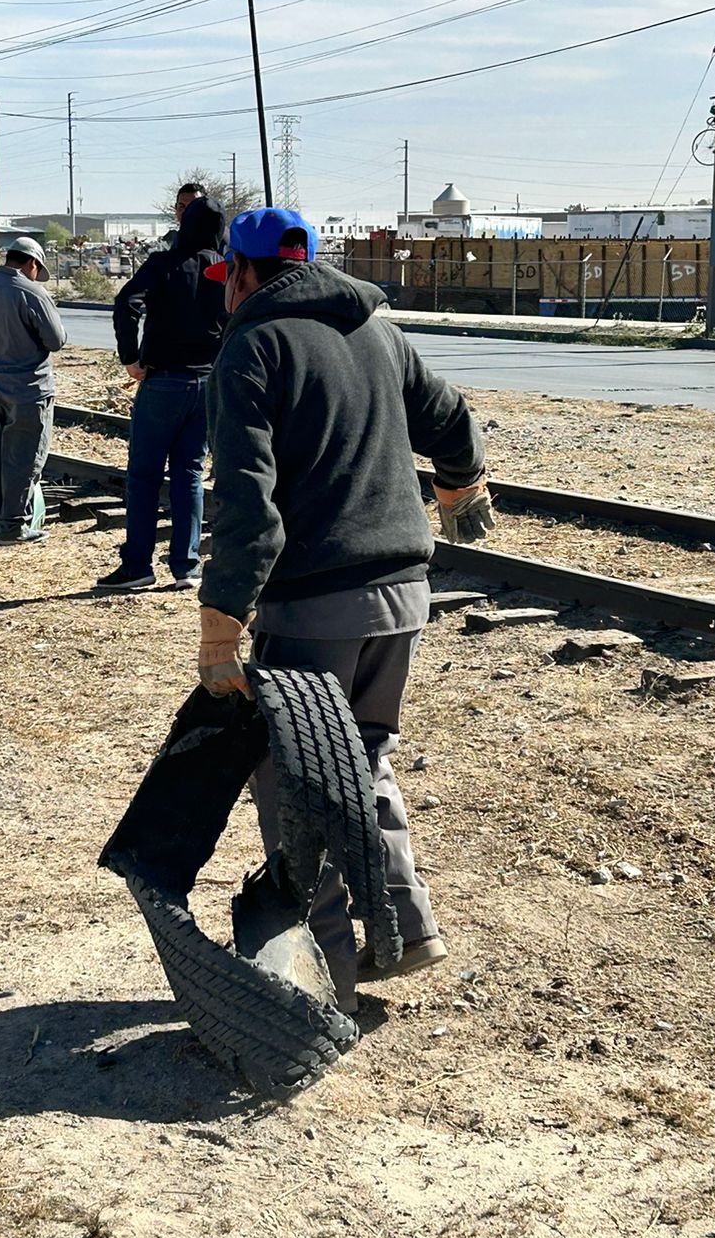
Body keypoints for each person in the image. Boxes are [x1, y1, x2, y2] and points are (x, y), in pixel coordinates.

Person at [195, 207, 493, 1013]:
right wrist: (461, 485)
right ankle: (406, 923)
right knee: (362, 756)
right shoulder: (378, 332)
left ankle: (325, 981)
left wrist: (220, 629)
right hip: (403, 593)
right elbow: (451, 420)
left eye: (228, 277)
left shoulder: (252, 348)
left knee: (296, 779)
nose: (225, 292)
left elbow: (247, 508)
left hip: (315, 604)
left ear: (246, 273)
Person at [99, 195, 227, 591]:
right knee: (189, 473)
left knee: (144, 475)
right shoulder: (227, 269)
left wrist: (130, 357)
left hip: (164, 381)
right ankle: (186, 566)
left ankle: (138, 565)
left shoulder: (163, 264)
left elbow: (126, 303)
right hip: (208, 384)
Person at [0, 237, 67, 547]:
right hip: (27, 390)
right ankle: (12, 526)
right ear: (32, 263)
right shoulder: (32, 292)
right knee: (23, 459)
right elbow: (56, 340)